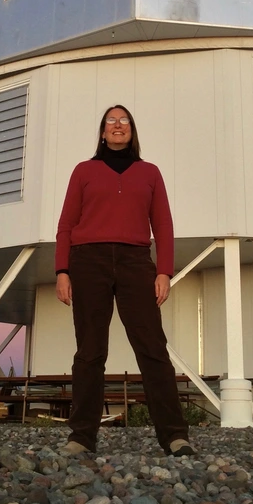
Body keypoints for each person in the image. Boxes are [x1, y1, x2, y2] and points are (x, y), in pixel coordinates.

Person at [55, 104, 195, 457]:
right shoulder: (84, 171)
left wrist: (164, 270)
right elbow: (66, 225)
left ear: (131, 131)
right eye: (111, 121)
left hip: (136, 262)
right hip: (88, 261)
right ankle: (81, 437)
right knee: (90, 351)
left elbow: (162, 224)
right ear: (102, 132)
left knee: (152, 348)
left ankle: (175, 436)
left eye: (124, 121)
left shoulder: (149, 172)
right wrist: (62, 271)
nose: (118, 125)